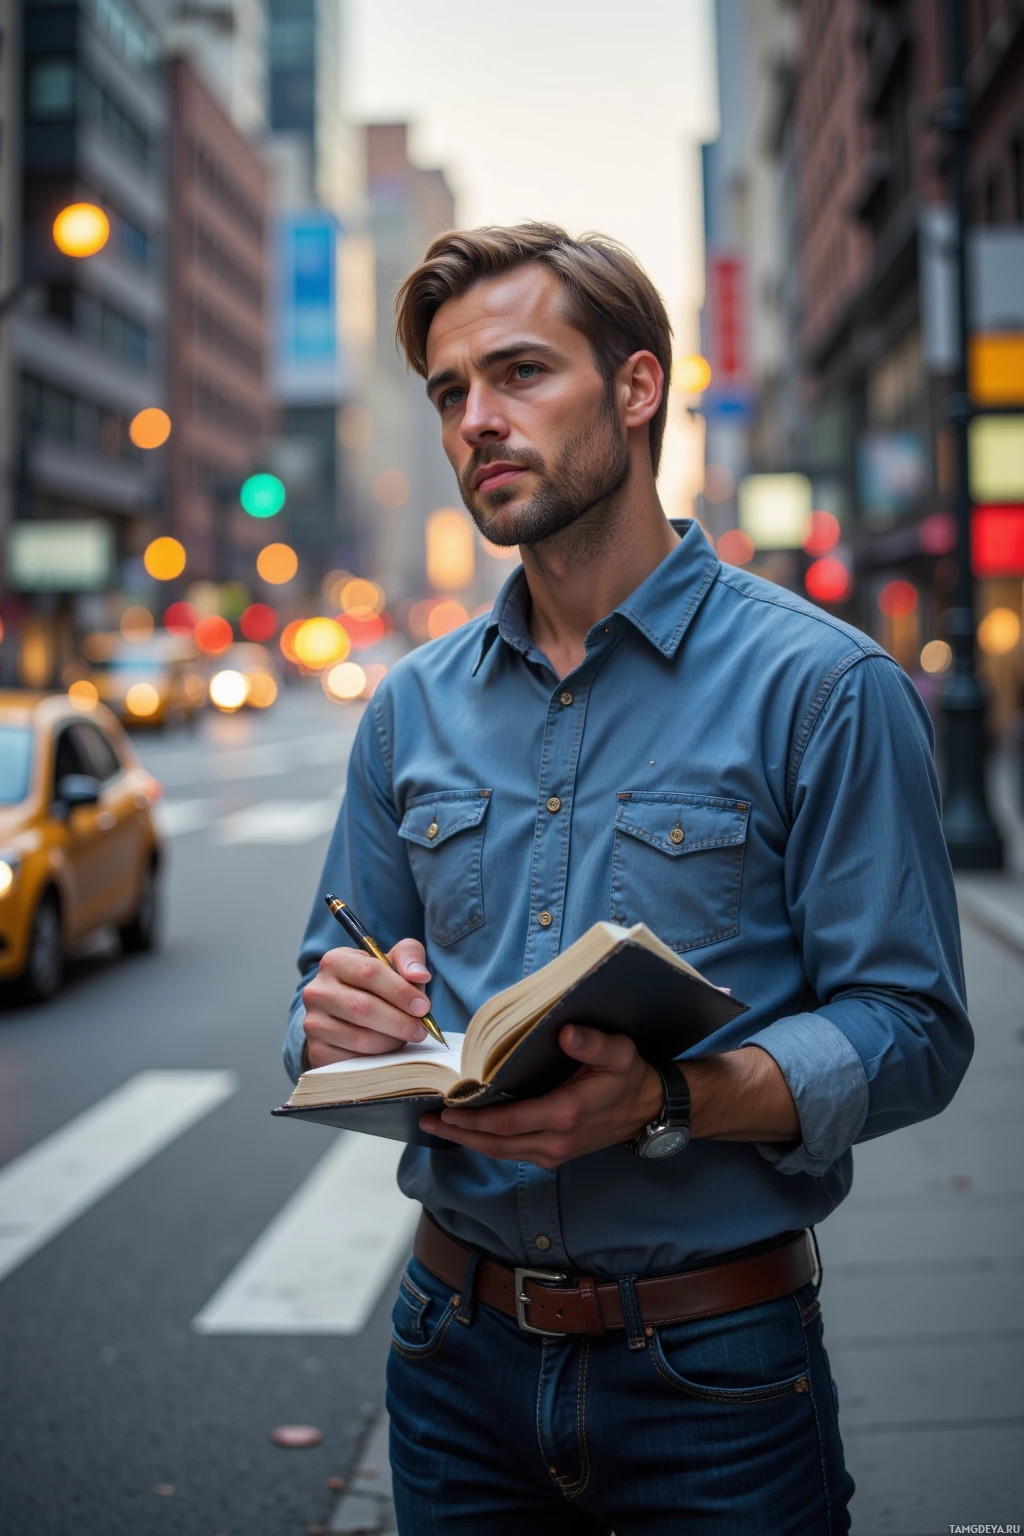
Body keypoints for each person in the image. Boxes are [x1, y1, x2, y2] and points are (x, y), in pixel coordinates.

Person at [284, 223, 971, 1534]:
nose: (476, 421)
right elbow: (318, 1005)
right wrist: (341, 1023)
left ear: (638, 388)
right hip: (448, 1357)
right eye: (447, 392)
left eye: (521, 373)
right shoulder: (406, 710)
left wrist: (669, 1100)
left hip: (714, 1375)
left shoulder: (825, 690)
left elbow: (916, 1029)